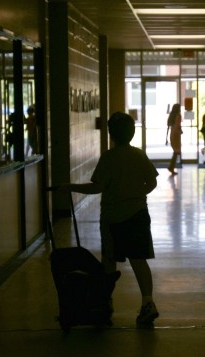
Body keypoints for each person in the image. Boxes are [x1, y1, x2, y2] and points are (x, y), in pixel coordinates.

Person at [56, 112, 160, 327]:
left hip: (113, 219)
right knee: (139, 261)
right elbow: (152, 183)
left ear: (111, 134)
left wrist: (70, 187)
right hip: (139, 215)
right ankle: (148, 303)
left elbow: (97, 187)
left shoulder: (109, 158)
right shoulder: (139, 155)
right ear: (132, 132)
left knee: (109, 262)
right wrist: (136, 193)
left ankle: (104, 304)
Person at [165, 103, 182, 175]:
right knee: (176, 152)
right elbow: (178, 125)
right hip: (176, 134)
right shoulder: (178, 115)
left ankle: (171, 167)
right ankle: (171, 167)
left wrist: (166, 137)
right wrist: (181, 131)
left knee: (175, 152)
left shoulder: (171, 115)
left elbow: (169, 126)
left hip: (172, 134)